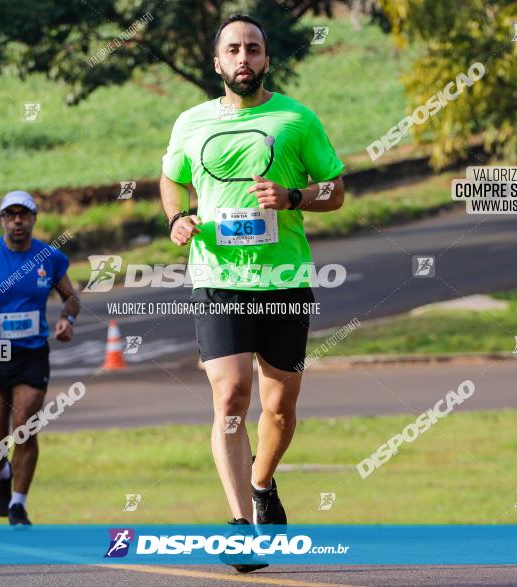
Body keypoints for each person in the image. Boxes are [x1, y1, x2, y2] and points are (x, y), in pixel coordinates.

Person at [159, 14, 345, 571]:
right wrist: (176, 217)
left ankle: (263, 483)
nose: (244, 59)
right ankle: (240, 525)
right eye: (234, 50)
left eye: (254, 50)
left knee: (280, 410)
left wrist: (293, 196)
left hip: (283, 279)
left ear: (267, 59)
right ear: (217, 63)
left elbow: (335, 190)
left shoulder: (296, 118)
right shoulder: (191, 122)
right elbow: (172, 177)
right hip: (218, 278)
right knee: (231, 395)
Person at [0, 190, 80, 525]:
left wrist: (68, 319)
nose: (18, 220)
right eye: (11, 215)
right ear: (2, 220)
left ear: (34, 218)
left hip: (31, 353)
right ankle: (2, 473)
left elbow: (71, 298)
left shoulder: (48, 257)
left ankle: (18, 505)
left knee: (25, 429)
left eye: (24, 214)